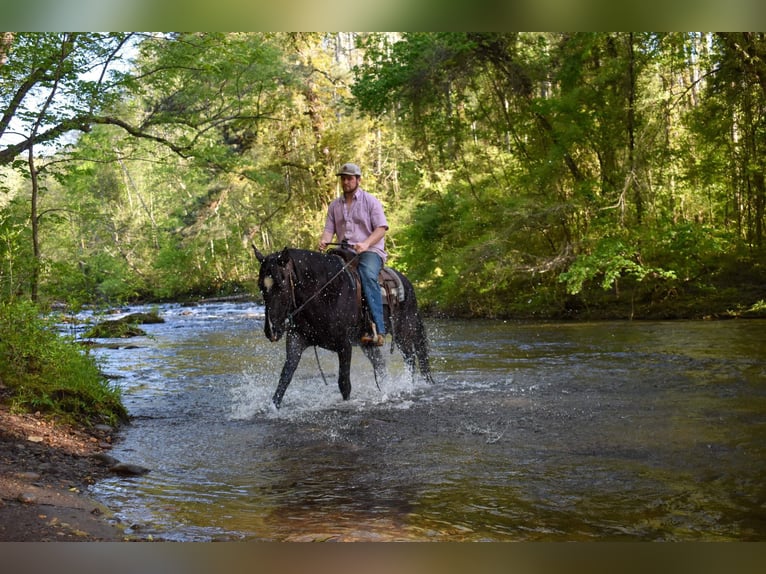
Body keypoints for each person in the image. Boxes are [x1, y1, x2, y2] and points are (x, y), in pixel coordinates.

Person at [318, 162, 388, 346]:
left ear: (358, 180)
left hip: (370, 251)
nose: (346, 182)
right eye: (343, 178)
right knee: (322, 273)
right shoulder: (334, 206)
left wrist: (365, 244)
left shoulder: (370, 201)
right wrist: (324, 240)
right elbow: (328, 230)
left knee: (366, 274)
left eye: (350, 178)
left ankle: (378, 329)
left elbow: (381, 229)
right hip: (343, 252)